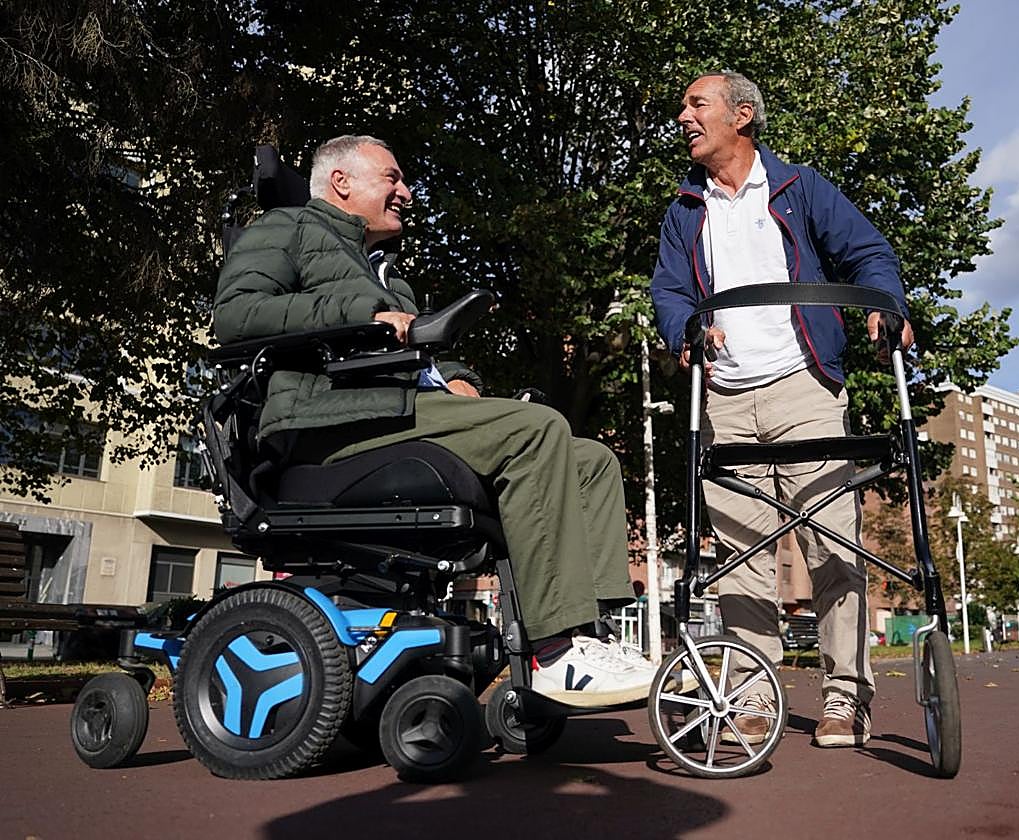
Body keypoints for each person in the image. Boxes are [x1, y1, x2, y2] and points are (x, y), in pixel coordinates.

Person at [214, 134, 656, 707]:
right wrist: (363, 312)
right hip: (326, 420)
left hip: (394, 413)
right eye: (393, 178)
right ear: (342, 182)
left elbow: (415, 343)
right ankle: (555, 650)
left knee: (591, 461)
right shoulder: (285, 228)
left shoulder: (387, 274)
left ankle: (590, 636)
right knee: (538, 428)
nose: (407, 191)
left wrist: (458, 376)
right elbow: (236, 316)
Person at [650, 72, 914, 747]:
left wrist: (888, 305)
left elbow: (869, 252)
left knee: (831, 540)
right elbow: (671, 292)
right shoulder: (685, 209)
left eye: (695, 104)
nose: (683, 116)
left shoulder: (800, 189)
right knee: (742, 559)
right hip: (726, 399)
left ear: (742, 115)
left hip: (804, 385)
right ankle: (753, 697)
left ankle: (845, 698)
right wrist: (685, 330)